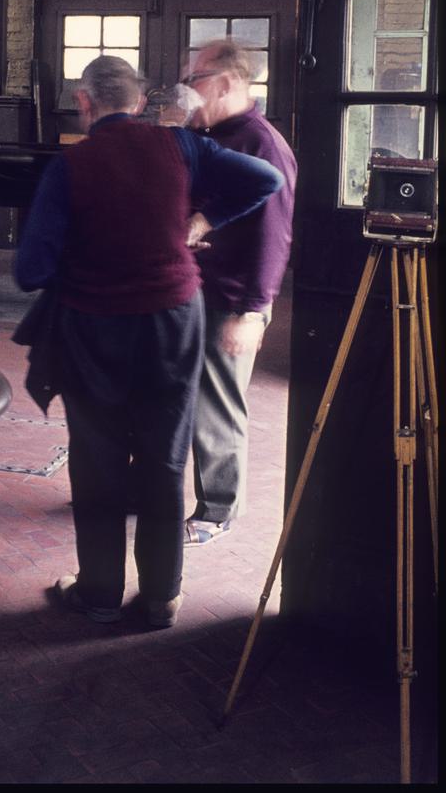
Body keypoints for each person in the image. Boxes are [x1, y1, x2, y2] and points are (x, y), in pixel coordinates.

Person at [14, 55, 285, 629]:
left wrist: (82, 257)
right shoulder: (183, 148)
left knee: (98, 459)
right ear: (140, 103)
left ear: (85, 103)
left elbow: (31, 271)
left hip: (95, 325)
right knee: (165, 457)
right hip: (174, 320)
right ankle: (162, 596)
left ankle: (100, 595)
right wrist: (203, 221)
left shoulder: (72, 165)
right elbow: (267, 180)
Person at [183, 38, 297, 547]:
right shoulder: (213, 133)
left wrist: (252, 311)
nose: (187, 91)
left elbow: (275, 236)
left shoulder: (262, 144)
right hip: (195, 288)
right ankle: (153, 493)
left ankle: (217, 510)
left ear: (225, 83)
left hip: (232, 296)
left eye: (194, 80)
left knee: (217, 404)